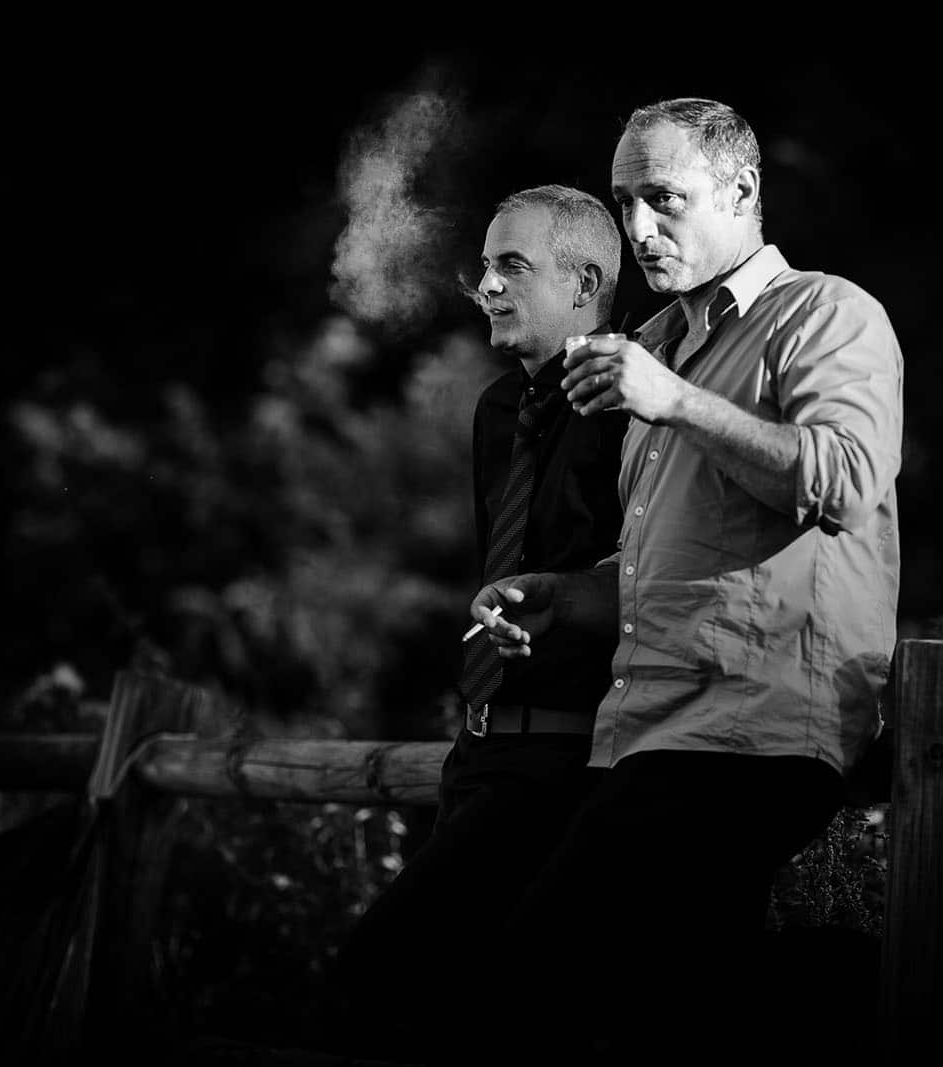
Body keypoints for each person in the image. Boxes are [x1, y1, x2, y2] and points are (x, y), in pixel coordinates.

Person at [469, 98, 904, 1061]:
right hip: (645, 728)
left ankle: (887, 992)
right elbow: (665, 557)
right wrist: (567, 597)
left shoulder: (828, 313)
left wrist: (673, 402)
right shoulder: (658, 345)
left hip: (759, 724)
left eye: (663, 199)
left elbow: (845, 476)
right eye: (625, 202)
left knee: (529, 979)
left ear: (742, 188)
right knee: (661, 1006)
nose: (637, 230)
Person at [331, 184, 626, 1060]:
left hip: (568, 758)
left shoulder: (633, 402)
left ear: (584, 283)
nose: (486, 286)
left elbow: (647, 578)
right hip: (480, 744)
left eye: (512, 266)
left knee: (375, 975)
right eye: (486, 266)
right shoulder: (498, 409)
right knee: (467, 1010)